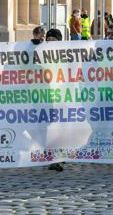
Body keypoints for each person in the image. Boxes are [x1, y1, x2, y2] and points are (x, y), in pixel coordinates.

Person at [45, 28, 64, 171]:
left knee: (59, 130)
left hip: (62, 97)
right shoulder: (40, 53)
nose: (50, 42)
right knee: (47, 129)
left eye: (53, 39)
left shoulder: (65, 54)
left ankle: (58, 157)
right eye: (48, 39)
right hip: (45, 98)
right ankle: (52, 156)